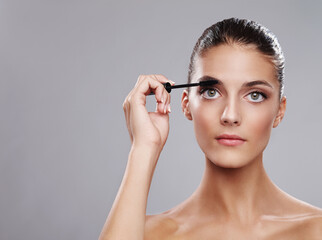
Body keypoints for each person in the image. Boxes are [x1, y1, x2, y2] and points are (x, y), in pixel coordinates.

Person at [99, 18, 322, 239]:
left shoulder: (316, 230)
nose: (230, 116)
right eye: (211, 92)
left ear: (279, 111)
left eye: (255, 95)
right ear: (186, 104)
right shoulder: (146, 233)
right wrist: (144, 148)